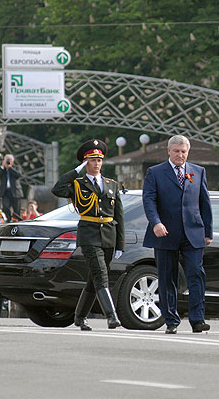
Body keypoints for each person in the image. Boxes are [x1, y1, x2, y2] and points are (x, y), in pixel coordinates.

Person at [142, 135, 213, 334]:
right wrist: (156, 222)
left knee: (196, 275)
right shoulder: (155, 172)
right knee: (167, 278)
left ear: (187, 152)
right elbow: (149, 200)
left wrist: (208, 231)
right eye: (176, 151)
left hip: (193, 233)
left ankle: (197, 319)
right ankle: (171, 320)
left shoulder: (198, 171)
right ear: (169, 151)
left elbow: (204, 202)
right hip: (165, 232)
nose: (180, 155)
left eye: (183, 152)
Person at [51, 138, 124, 330]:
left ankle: (80, 317)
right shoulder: (78, 184)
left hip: (108, 235)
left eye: (99, 160)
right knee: (101, 275)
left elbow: (119, 216)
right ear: (86, 163)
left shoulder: (111, 184)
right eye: (92, 160)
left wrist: (120, 245)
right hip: (89, 235)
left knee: (94, 279)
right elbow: (57, 189)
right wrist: (76, 171)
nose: (97, 164)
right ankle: (112, 316)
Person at [0, 154, 23, 222]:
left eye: (9, 160)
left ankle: (17, 221)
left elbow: (18, 175)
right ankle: (9, 219)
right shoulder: (2, 169)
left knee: (16, 209)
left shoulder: (16, 167)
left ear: (12, 161)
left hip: (15, 191)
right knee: (5, 207)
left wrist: (10, 167)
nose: (8, 162)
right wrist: (3, 167)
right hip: (6, 192)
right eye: (7, 160)